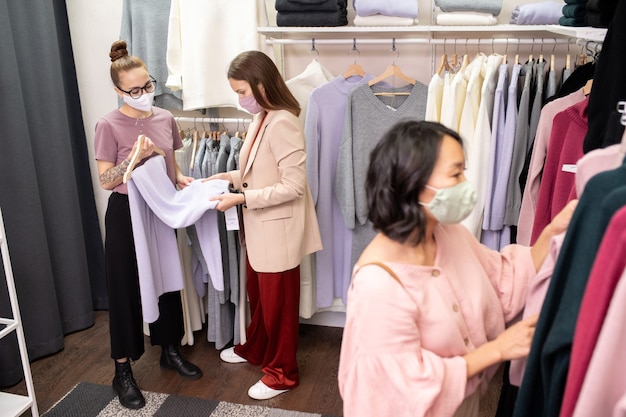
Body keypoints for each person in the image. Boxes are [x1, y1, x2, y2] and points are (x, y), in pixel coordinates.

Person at [337, 120, 577, 417]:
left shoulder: (449, 234)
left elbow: (501, 279)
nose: (466, 184)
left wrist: (554, 231)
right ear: (413, 184)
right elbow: (398, 388)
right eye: (455, 174)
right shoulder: (378, 285)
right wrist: (498, 349)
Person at [207, 50, 322, 400]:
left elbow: (293, 186)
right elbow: (255, 172)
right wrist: (218, 178)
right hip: (259, 231)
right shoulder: (263, 119)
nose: (239, 99)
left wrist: (242, 199)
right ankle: (256, 350)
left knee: (279, 308)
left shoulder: (282, 122)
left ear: (260, 84)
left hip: (277, 233)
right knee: (259, 299)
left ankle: (282, 373)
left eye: (242, 91)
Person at [93, 40, 202, 410]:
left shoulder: (164, 119)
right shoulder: (108, 125)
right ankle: (122, 370)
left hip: (160, 207)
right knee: (124, 288)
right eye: (134, 90)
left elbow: (170, 164)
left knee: (168, 279)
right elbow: (107, 180)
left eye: (148, 86)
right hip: (126, 211)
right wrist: (135, 158)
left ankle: (169, 349)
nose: (143, 94)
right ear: (118, 90)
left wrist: (181, 179)